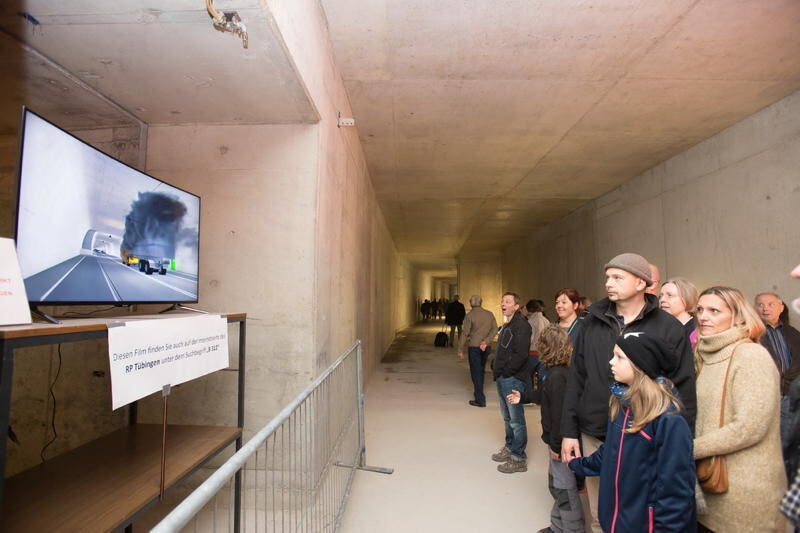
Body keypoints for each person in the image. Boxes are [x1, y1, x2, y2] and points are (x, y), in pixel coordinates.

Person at [561, 252, 696, 533]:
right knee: (602, 514)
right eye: (607, 277)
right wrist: (568, 431)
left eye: (617, 277)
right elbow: (577, 377)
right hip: (597, 429)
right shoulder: (591, 322)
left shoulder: (667, 327)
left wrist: (683, 444)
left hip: (646, 440)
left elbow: (682, 386)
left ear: (641, 283)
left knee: (640, 512)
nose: (608, 283)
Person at [568, 333, 695, 533]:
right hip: (617, 521)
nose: (611, 362)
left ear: (640, 365)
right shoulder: (622, 404)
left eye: (619, 357)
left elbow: (675, 493)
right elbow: (611, 451)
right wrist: (578, 464)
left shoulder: (669, 419)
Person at [694, 286, 786, 532]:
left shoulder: (751, 356)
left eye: (714, 311)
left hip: (745, 496)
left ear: (737, 316)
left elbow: (749, 427)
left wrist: (688, 448)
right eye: (700, 310)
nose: (704, 316)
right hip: (709, 490)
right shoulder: (705, 355)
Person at [508, 325, 585, 533]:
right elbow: (544, 395)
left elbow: (560, 416)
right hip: (556, 442)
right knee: (556, 485)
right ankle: (558, 526)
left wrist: (557, 446)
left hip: (560, 444)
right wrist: (523, 397)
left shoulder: (558, 377)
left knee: (564, 490)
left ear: (547, 348)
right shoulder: (555, 373)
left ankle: (571, 529)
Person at [491, 292, 532, 473]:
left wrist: (507, 372)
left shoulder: (522, 326)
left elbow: (521, 355)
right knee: (507, 417)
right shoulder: (508, 324)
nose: (503, 304)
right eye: (502, 301)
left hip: (512, 379)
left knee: (516, 419)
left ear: (516, 306)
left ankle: (518, 457)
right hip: (503, 377)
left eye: (507, 302)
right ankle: (510, 447)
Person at [457, 295, 498, 407]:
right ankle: (479, 394)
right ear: (481, 302)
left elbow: (465, 333)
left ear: (470, 303)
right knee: (481, 370)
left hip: (474, 346)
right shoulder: (489, 314)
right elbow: (495, 328)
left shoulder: (470, 315)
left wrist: (460, 349)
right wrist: (487, 341)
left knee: (476, 372)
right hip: (486, 347)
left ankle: (480, 399)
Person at [660, 277, 700, 348]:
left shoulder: (698, 331)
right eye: (661, 296)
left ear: (687, 298)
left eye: (670, 295)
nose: (662, 300)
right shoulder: (659, 328)